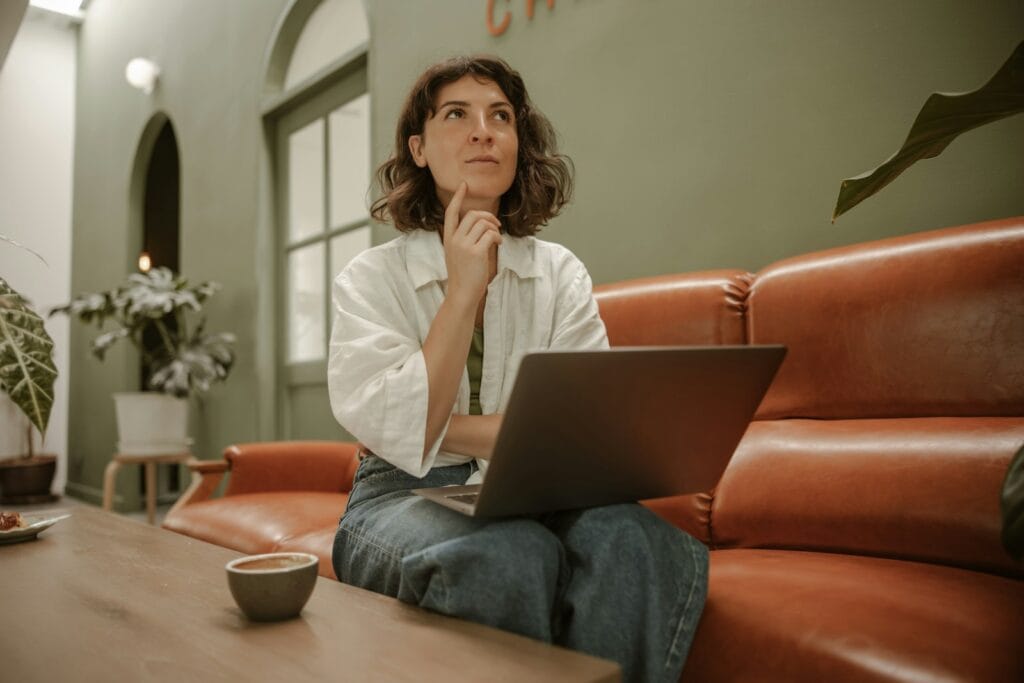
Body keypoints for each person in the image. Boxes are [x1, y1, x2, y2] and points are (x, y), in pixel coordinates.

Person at [328, 55, 708, 683]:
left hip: (544, 487)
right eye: (458, 114)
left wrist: (436, 426)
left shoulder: (559, 273)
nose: (484, 130)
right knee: (503, 551)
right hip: (397, 496)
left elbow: (579, 431)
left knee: (636, 539)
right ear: (418, 149)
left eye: (499, 116)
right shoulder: (369, 280)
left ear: (516, 142)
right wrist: (462, 292)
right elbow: (410, 442)